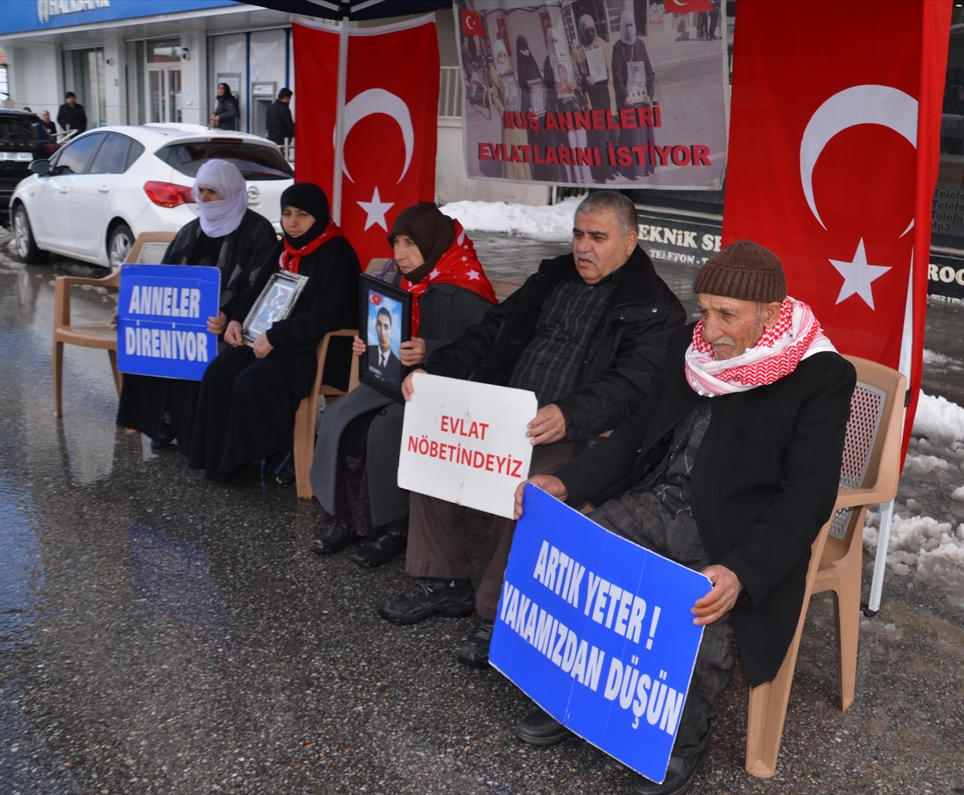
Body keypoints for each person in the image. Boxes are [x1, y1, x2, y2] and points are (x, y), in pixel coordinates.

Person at [511, 240, 856, 795]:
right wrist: (567, 481)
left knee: (697, 616)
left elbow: (807, 497)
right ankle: (574, 696)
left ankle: (682, 741)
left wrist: (742, 568)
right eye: (705, 309)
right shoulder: (693, 349)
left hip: (734, 530)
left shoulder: (820, 375)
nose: (711, 329)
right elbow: (634, 435)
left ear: (769, 313)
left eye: (728, 315)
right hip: (660, 499)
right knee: (577, 550)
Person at [376, 191, 685, 668]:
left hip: (573, 431)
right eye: (579, 234)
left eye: (598, 237)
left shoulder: (655, 308)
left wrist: (571, 414)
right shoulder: (552, 276)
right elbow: (489, 333)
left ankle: (497, 611)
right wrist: (438, 370)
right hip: (504, 409)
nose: (583, 247)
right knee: (433, 443)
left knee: (526, 485)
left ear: (630, 241)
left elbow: (632, 387)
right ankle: (444, 580)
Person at [309, 202, 498, 567]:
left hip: (443, 390)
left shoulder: (465, 287)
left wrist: (432, 350)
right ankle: (346, 517)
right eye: (396, 243)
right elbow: (385, 327)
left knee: (383, 429)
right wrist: (367, 342)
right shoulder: (399, 277)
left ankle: (394, 527)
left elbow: (488, 351)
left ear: (432, 243)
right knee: (339, 418)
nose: (399, 255)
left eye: (410, 244)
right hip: (394, 379)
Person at [188, 182, 359, 482]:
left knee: (250, 381)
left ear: (318, 216)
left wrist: (277, 336)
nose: (292, 222)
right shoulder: (284, 248)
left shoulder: (337, 252)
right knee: (218, 372)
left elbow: (328, 314)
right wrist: (237, 320)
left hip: (315, 349)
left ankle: (270, 452)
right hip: (271, 340)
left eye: (302, 215)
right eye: (287, 213)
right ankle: (220, 462)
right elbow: (255, 292)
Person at [114, 159, 278, 452]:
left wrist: (229, 317)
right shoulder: (190, 230)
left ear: (231, 192)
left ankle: (194, 436)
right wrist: (133, 311)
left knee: (196, 351)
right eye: (200, 190)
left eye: (212, 192)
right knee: (149, 342)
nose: (203, 198)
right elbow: (162, 280)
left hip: (230, 328)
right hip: (186, 322)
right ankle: (161, 424)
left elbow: (259, 289)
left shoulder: (257, 231)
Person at [612, 10, 657, 180]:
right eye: (626, 26)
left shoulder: (640, 44)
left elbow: (649, 72)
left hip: (642, 99)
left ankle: (646, 167)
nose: (629, 29)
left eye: (631, 25)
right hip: (628, 101)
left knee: (644, 135)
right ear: (622, 28)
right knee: (631, 136)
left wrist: (649, 95)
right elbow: (616, 77)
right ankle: (635, 170)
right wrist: (625, 95)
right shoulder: (618, 47)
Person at [543, 26, 591, 184]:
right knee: (568, 146)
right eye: (552, 41)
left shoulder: (566, 58)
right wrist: (553, 89)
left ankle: (585, 177)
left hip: (573, 107)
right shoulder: (547, 62)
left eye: (556, 40)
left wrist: (574, 84)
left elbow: (578, 80)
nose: (555, 43)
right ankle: (574, 179)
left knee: (579, 144)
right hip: (560, 112)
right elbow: (546, 88)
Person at [571, 14, 616, 183]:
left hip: (604, 95)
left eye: (592, 29)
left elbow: (609, 69)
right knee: (596, 137)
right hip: (591, 99)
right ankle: (600, 173)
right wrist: (585, 81)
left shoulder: (602, 44)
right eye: (586, 29)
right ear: (581, 30)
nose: (590, 32)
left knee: (608, 135)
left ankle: (610, 170)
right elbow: (575, 79)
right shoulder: (576, 51)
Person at [515, 34, 557, 182]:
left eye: (527, 49)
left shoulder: (532, 64)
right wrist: (528, 111)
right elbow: (523, 94)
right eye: (522, 50)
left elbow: (541, 87)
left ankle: (552, 176)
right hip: (533, 115)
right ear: (518, 51)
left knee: (548, 147)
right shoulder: (520, 71)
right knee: (539, 150)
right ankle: (543, 178)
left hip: (543, 113)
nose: (525, 53)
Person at [489, 41, 531, 181]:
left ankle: (524, 177)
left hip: (517, 114)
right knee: (509, 148)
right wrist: (502, 110)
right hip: (506, 115)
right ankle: (510, 177)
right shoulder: (494, 73)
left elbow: (519, 89)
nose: (502, 59)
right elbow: (495, 95)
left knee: (520, 145)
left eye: (504, 55)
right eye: (499, 56)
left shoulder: (511, 69)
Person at [366, 307, 403, 384]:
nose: (382, 333)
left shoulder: (397, 364)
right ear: (376, 326)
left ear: (391, 332)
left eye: (386, 327)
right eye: (379, 325)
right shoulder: (368, 351)